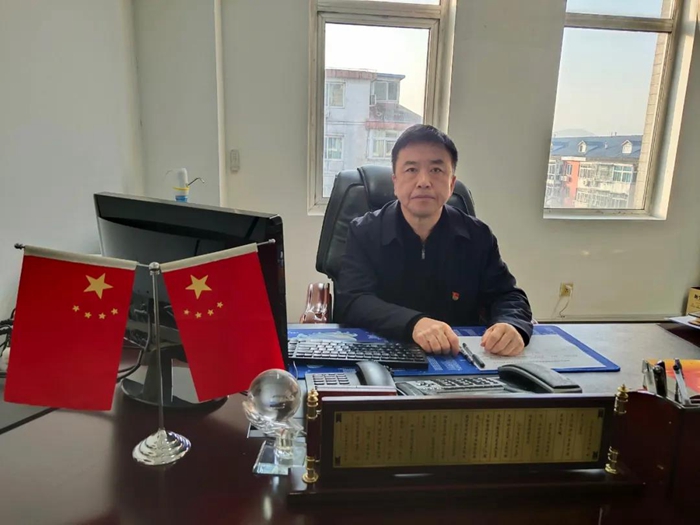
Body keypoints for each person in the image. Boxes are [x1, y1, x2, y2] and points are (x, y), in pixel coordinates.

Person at [334, 124, 532, 357]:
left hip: (458, 356)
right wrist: (414, 323)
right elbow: (353, 301)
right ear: (395, 182)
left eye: (436, 170)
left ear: (451, 183)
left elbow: (507, 295)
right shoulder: (364, 231)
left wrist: (511, 324)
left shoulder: (477, 235)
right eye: (411, 170)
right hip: (385, 353)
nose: (424, 181)